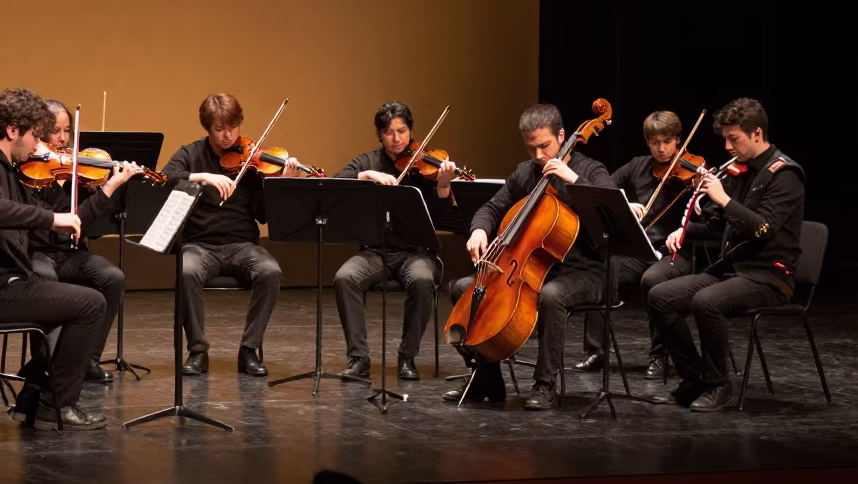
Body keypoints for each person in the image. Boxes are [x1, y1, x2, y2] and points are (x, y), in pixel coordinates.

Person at [0, 87, 108, 430]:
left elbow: (34, 213)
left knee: (69, 302)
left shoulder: (5, 167)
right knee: (90, 304)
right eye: (35, 135)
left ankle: (31, 401)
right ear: (13, 130)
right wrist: (52, 220)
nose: (38, 145)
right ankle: (57, 406)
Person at [443, 103, 614, 410]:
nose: (538, 156)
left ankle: (545, 384)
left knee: (552, 295)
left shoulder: (590, 170)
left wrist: (573, 180)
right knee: (461, 289)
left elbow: (610, 214)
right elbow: (491, 208)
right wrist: (479, 230)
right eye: (531, 148)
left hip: (583, 270)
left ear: (562, 136)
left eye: (544, 146)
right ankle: (487, 379)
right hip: (529, 268)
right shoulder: (525, 172)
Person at [648, 98, 804, 412]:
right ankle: (695, 378)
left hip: (768, 276)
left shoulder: (785, 175)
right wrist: (688, 230)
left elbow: (762, 230)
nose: (727, 146)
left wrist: (722, 199)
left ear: (757, 133)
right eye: (725, 138)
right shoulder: (738, 172)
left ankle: (719, 385)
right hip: (731, 270)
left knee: (707, 301)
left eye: (734, 138)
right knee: (659, 296)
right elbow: (720, 228)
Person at [161, 93, 304, 377]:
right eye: (219, 129)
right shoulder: (191, 154)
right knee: (186, 271)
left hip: (243, 245)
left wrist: (281, 184)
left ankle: (249, 350)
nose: (228, 136)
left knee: (270, 271)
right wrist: (202, 177)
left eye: (233, 127)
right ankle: (198, 351)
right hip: (199, 246)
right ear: (207, 127)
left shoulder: (252, 160)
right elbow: (164, 177)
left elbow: (264, 214)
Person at [332, 101, 456, 381]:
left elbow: (440, 218)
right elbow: (338, 182)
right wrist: (365, 176)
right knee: (345, 277)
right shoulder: (367, 161)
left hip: (416, 252)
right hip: (376, 251)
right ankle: (359, 358)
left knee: (423, 281)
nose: (397, 138)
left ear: (410, 131)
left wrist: (443, 186)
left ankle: (407, 357)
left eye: (402, 131)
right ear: (380, 134)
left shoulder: (425, 166)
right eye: (389, 132)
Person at [28, 99, 142, 383]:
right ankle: (47, 363)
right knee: (43, 279)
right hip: (38, 252)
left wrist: (109, 187)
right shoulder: (29, 172)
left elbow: (82, 221)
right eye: (55, 131)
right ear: (39, 131)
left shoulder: (75, 171)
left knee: (112, 278)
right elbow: (59, 225)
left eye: (67, 131)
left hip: (72, 255)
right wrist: (108, 190)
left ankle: (87, 358)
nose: (63, 139)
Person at [574, 110, 687, 379]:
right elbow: (604, 191)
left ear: (678, 141)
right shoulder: (637, 165)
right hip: (640, 248)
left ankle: (659, 356)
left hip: (675, 252)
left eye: (668, 142)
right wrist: (624, 205)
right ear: (647, 141)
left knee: (653, 281)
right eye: (655, 142)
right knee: (602, 268)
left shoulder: (690, 173)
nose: (662, 149)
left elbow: (705, 212)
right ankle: (597, 350)